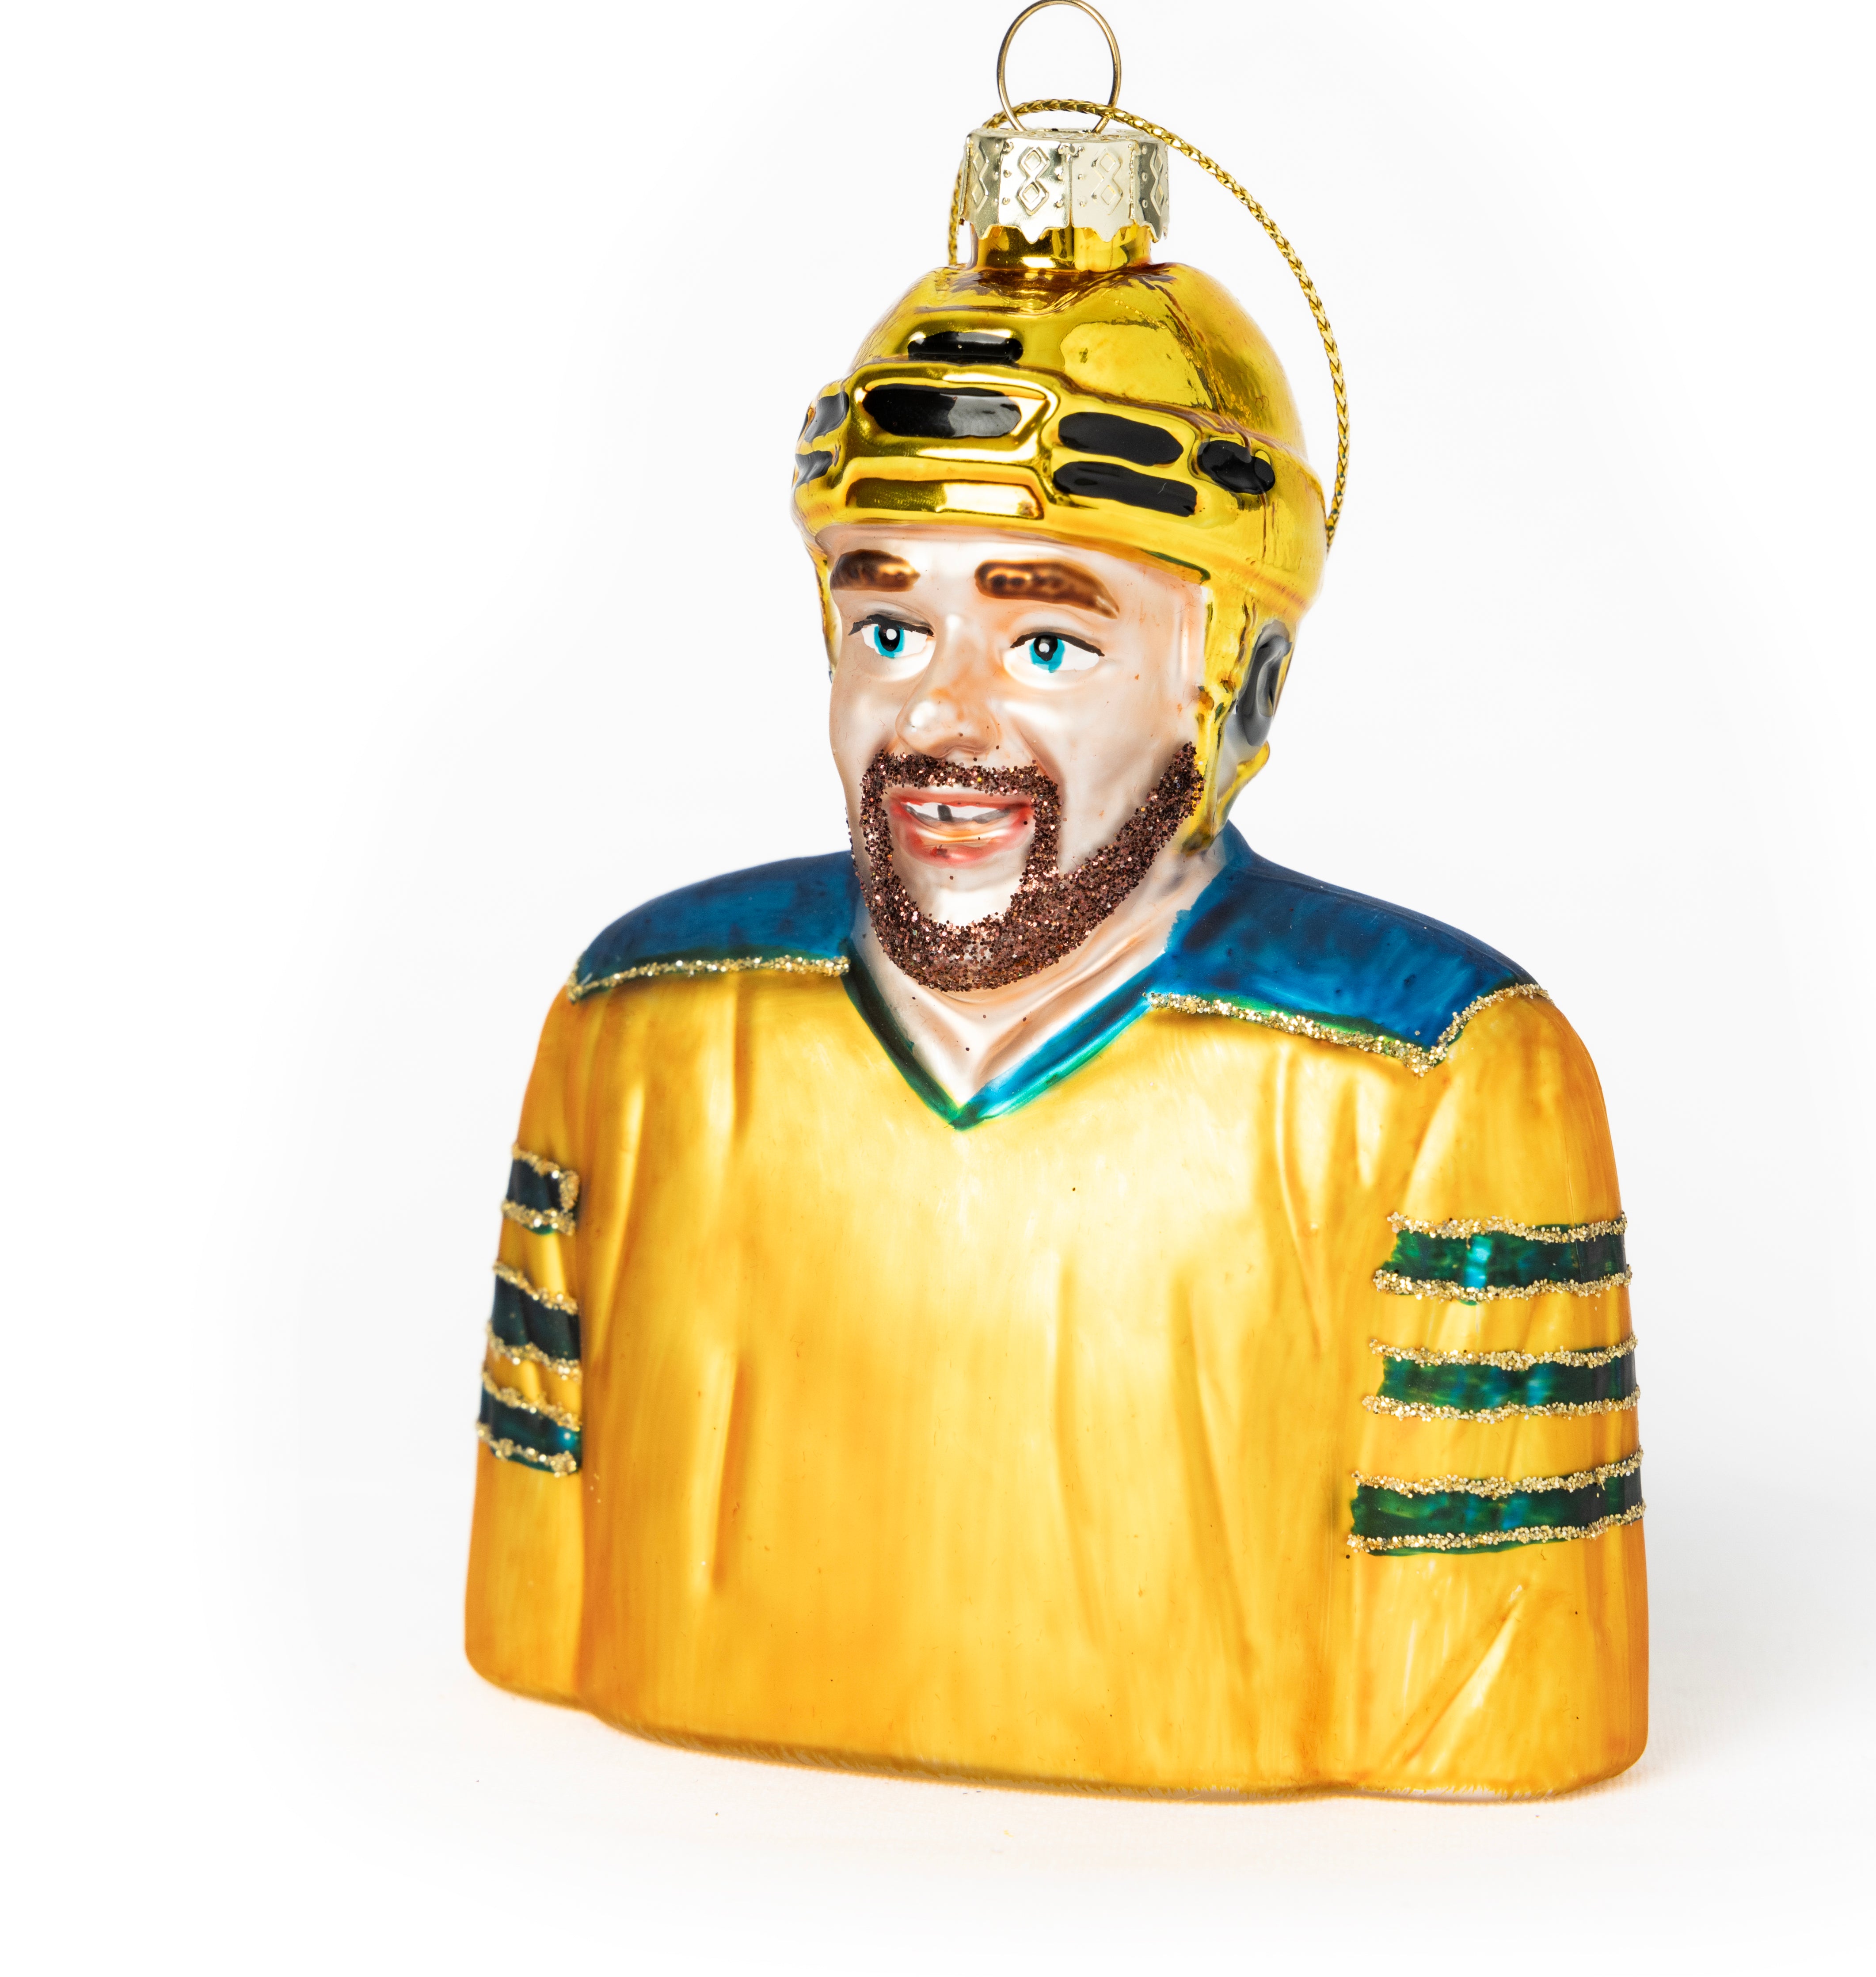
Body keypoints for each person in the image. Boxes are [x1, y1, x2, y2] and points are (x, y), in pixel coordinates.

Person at [464, 119, 1648, 1796]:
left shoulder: (1434, 1082)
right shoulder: (638, 1030)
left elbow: (1496, 1696)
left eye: (1046, 641)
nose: (943, 720)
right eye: (890, 628)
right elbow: (535, 1599)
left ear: (1238, 691)